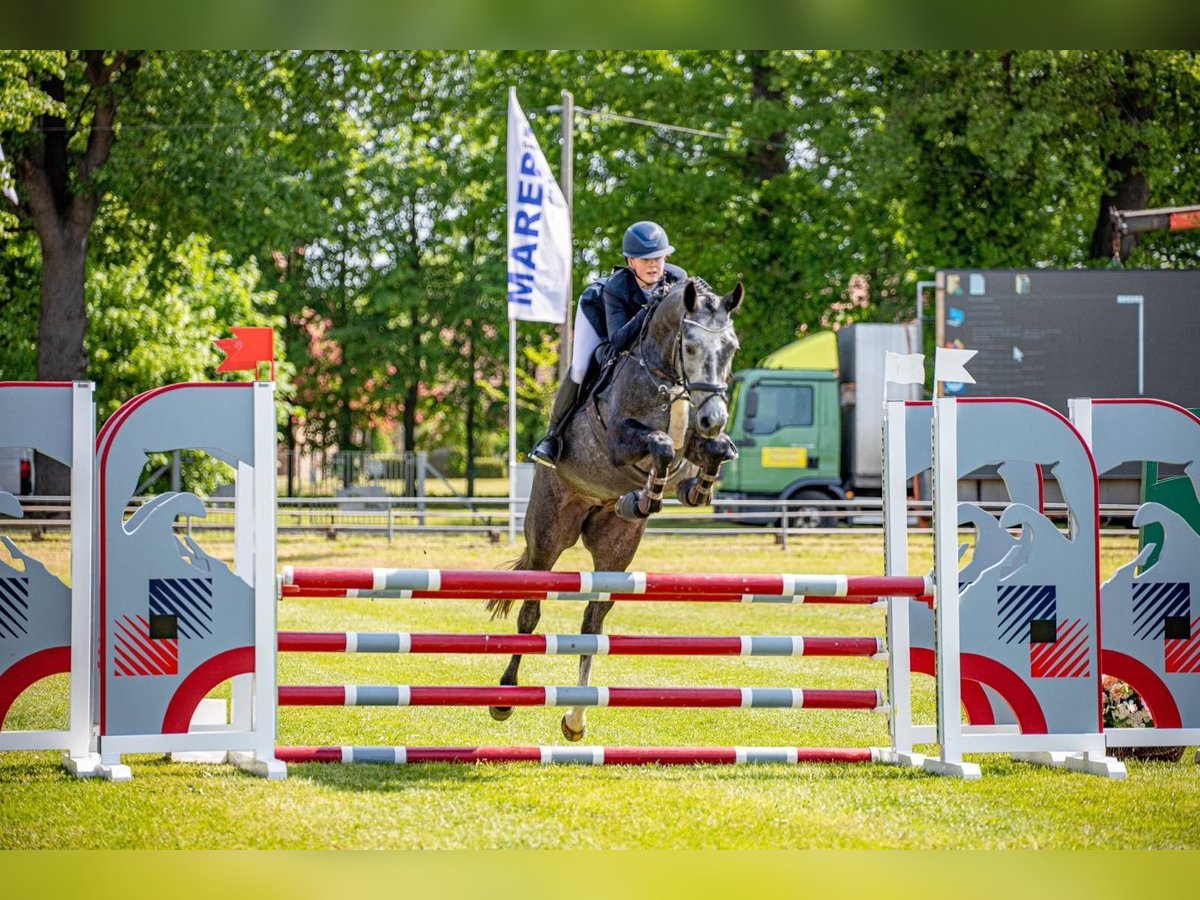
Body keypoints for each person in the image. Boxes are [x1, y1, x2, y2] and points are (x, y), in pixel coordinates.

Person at [529, 220, 688, 468]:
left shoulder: (678, 278)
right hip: (600, 320)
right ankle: (552, 438)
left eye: (658, 258)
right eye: (645, 259)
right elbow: (618, 340)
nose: (653, 265)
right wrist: (650, 307)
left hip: (646, 341)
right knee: (581, 368)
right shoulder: (616, 287)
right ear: (630, 262)